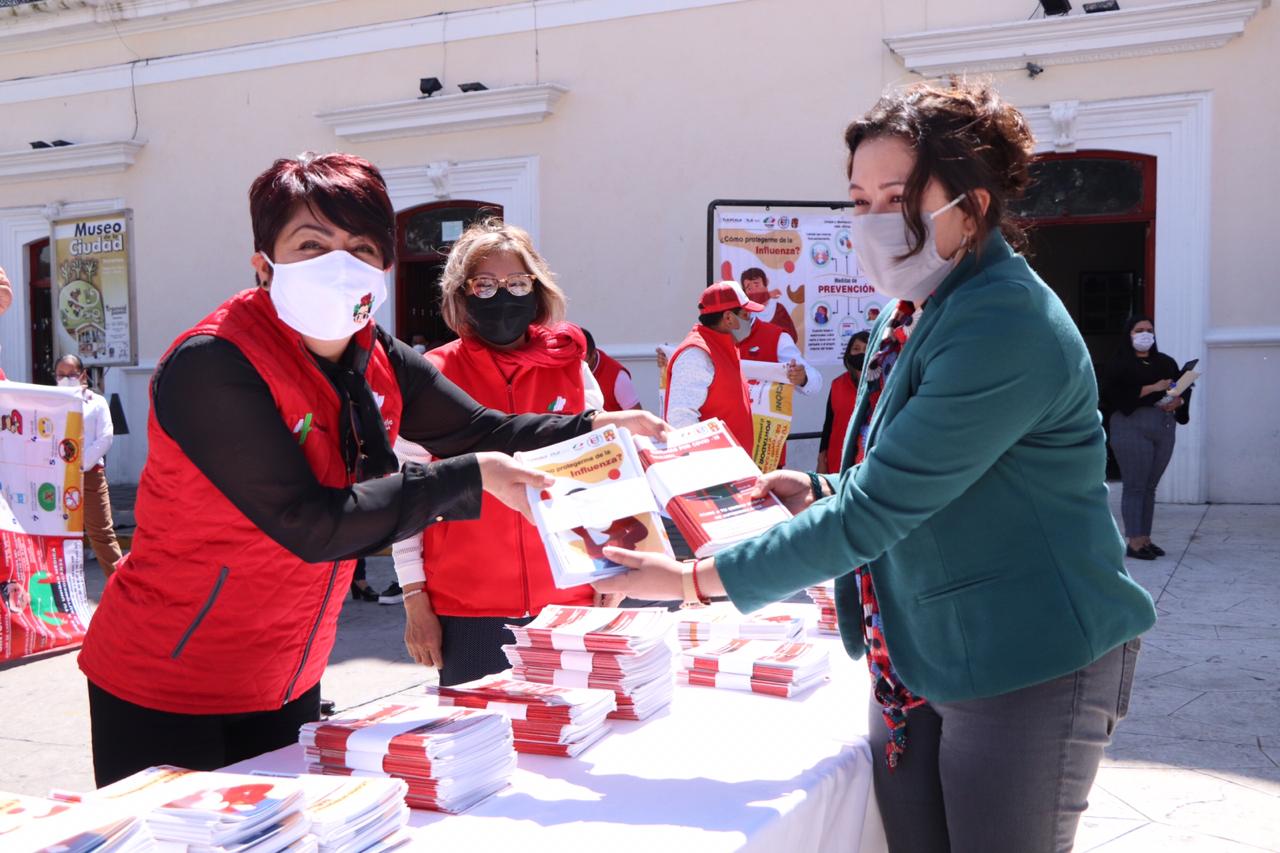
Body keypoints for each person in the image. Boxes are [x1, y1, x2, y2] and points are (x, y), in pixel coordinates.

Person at [596, 81, 1156, 853]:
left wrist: (690, 582)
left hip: (1025, 660)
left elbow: (876, 511)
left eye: (896, 197)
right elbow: (899, 470)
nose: (870, 220)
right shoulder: (914, 308)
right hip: (916, 649)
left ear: (972, 205)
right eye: (859, 200)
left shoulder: (1003, 322)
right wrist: (817, 486)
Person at [76, 152, 661, 787]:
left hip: (288, 671)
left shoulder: (375, 353)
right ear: (263, 264)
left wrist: (593, 427)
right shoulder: (213, 364)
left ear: (383, 266)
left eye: (360, 247)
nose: (339, 264)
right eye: (311, 244)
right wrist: (467, 478)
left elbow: (480, 429)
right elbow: (310, 525)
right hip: (167, 678)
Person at [391, 220, 661, 686]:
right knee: (482, 728)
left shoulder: (571, 368)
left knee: (573, 727)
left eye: (517, 282)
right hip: (468, 607)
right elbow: (407, 494)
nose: (503, 296)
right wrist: (414, 597)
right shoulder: (434, 374)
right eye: (485, 284)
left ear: (537, 290)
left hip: (569, 598)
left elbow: (601, 477)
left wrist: (614, 570)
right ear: (461, 294)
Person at [1103, 315, 1189, 560]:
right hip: (1131, 426)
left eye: (1149, 330)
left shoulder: (1166, 362)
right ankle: (1134, 541)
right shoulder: (1118, 364)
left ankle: (1145, 538)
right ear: (1128, 334)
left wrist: (1179, 401)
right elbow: (1113, 395)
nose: (1145, 334)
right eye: (1139, 330)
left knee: (1150, 487)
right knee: (1135, 485)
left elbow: (1182, 390)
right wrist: (1154, 387)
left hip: (1163, 425)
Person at [663, 281, 760, 449]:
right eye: (746, 315)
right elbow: (681, 419)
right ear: (728, 318)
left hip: (731, 461)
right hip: (713, 463)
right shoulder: (697, 354)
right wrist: (708, 459)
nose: (750, 321)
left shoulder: (724, 347)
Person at [53, 355, 123, 576]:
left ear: (83, 375)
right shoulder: (49, 402)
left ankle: (122, 587)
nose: (66, 379)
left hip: (90, 475)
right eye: (61, 375)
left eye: (71, 374)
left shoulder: (96, 402)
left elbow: (105, 437)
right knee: (55, 535)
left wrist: (78, 464)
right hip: (57, 477)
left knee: (102, 535)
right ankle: (57, 588)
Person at [816, 331, 868, 474]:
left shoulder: (884, 384)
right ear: (848, 354)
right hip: (838, 459)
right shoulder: (837, 384)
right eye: (856, 349)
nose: (862, 354)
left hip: (870, 461)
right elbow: (828, 425)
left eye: (867, 349)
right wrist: (821, 460)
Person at [583, 327, 642, 411]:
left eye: (582, 362)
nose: (576, 367)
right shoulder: (566, 369)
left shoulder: (618, 377)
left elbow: (636, 415)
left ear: (593, 354)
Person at [740, 267, 798, 342]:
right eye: (749, 289)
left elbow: (792, 337)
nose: (754, 291)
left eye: (757, 285)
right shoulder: (745, 314)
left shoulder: (778, 309)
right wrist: (768, 295)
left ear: (766, 283)